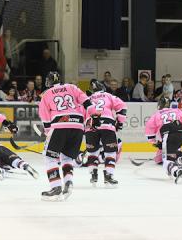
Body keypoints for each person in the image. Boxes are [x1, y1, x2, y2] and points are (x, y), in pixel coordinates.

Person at [38, 71, 92, 200]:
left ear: (48, 82)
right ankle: (68, 182)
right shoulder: (71, 87)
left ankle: (56, 187)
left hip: (60, 125)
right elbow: (86, 102)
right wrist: (91, 116)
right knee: (67, 158)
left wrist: (47, 131)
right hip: (78, 126)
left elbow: (45, 117)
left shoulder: (46, 94)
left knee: (50, 158)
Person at [83, 79, 127, 187]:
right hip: (107, 125)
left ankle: (93, 175)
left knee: (92, 153)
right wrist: (120, 123)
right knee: (110, 152)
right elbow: (122, 107)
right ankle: (108, 176)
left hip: (90, 127)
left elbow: (82, 114)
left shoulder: (87, 99)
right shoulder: (108, 95)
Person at [145, 97, 182, 183]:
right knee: (162, 157)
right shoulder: (177, 111)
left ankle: (176, 170)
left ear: (159, 105)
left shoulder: (156, 115)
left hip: (169, 135)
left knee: (166, 160)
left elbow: (150, 136)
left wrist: (157, 143)